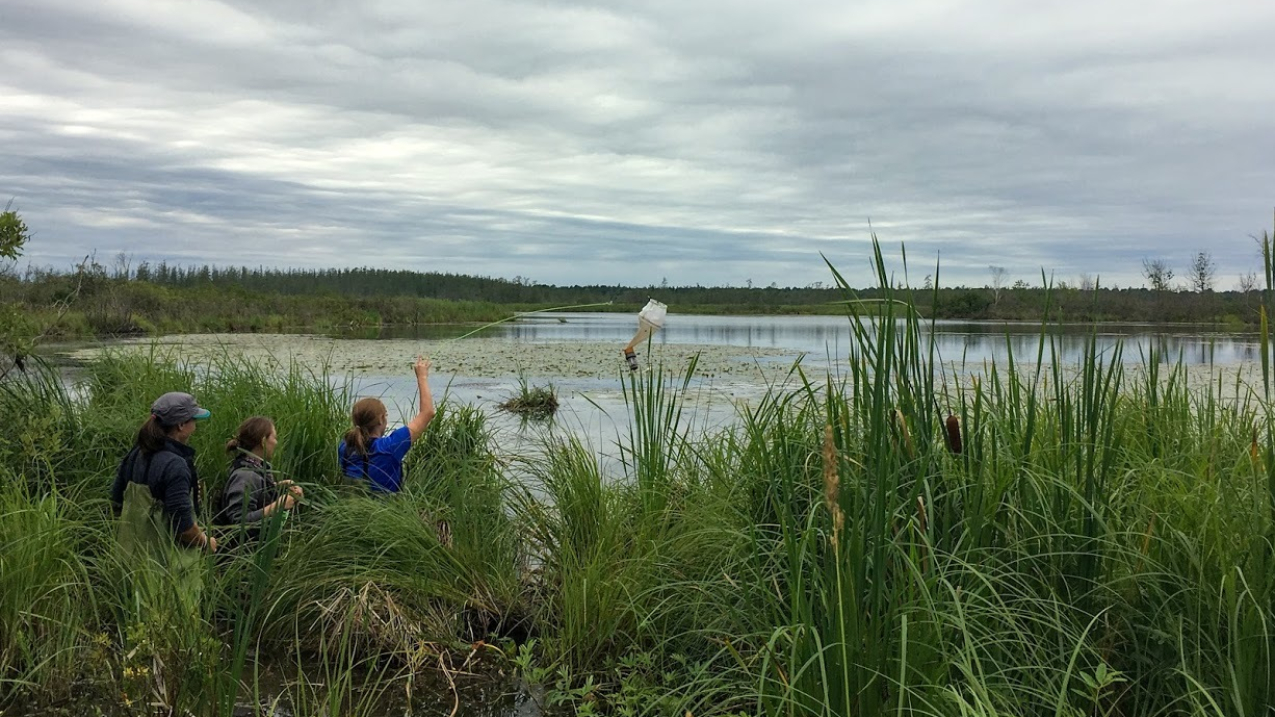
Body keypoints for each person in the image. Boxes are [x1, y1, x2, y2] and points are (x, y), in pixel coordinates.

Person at [111, 392, 215, 605]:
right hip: (167, 570)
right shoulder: (175, 465)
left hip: (131, 562)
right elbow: (184, 528)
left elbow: (116, 502)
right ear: (180, 426)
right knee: (175, 621)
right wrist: (205, 542)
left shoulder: (135, 454)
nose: (195, 425)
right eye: (193, 419)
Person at [339, 356, 435, 493]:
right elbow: (428, 412)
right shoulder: (390, 447)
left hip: (351, 511)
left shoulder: (344, 446)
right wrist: (422, 377)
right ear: (380, 419)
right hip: (385, 512)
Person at [214, 416, 303, 541]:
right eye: (274, 438)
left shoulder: (258, 468)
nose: (276, 443)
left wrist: (280, 489)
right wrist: (278, 505)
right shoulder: (245, 476)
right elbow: (239, 521)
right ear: (263, 442)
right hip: (241, 555)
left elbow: (257, 496)